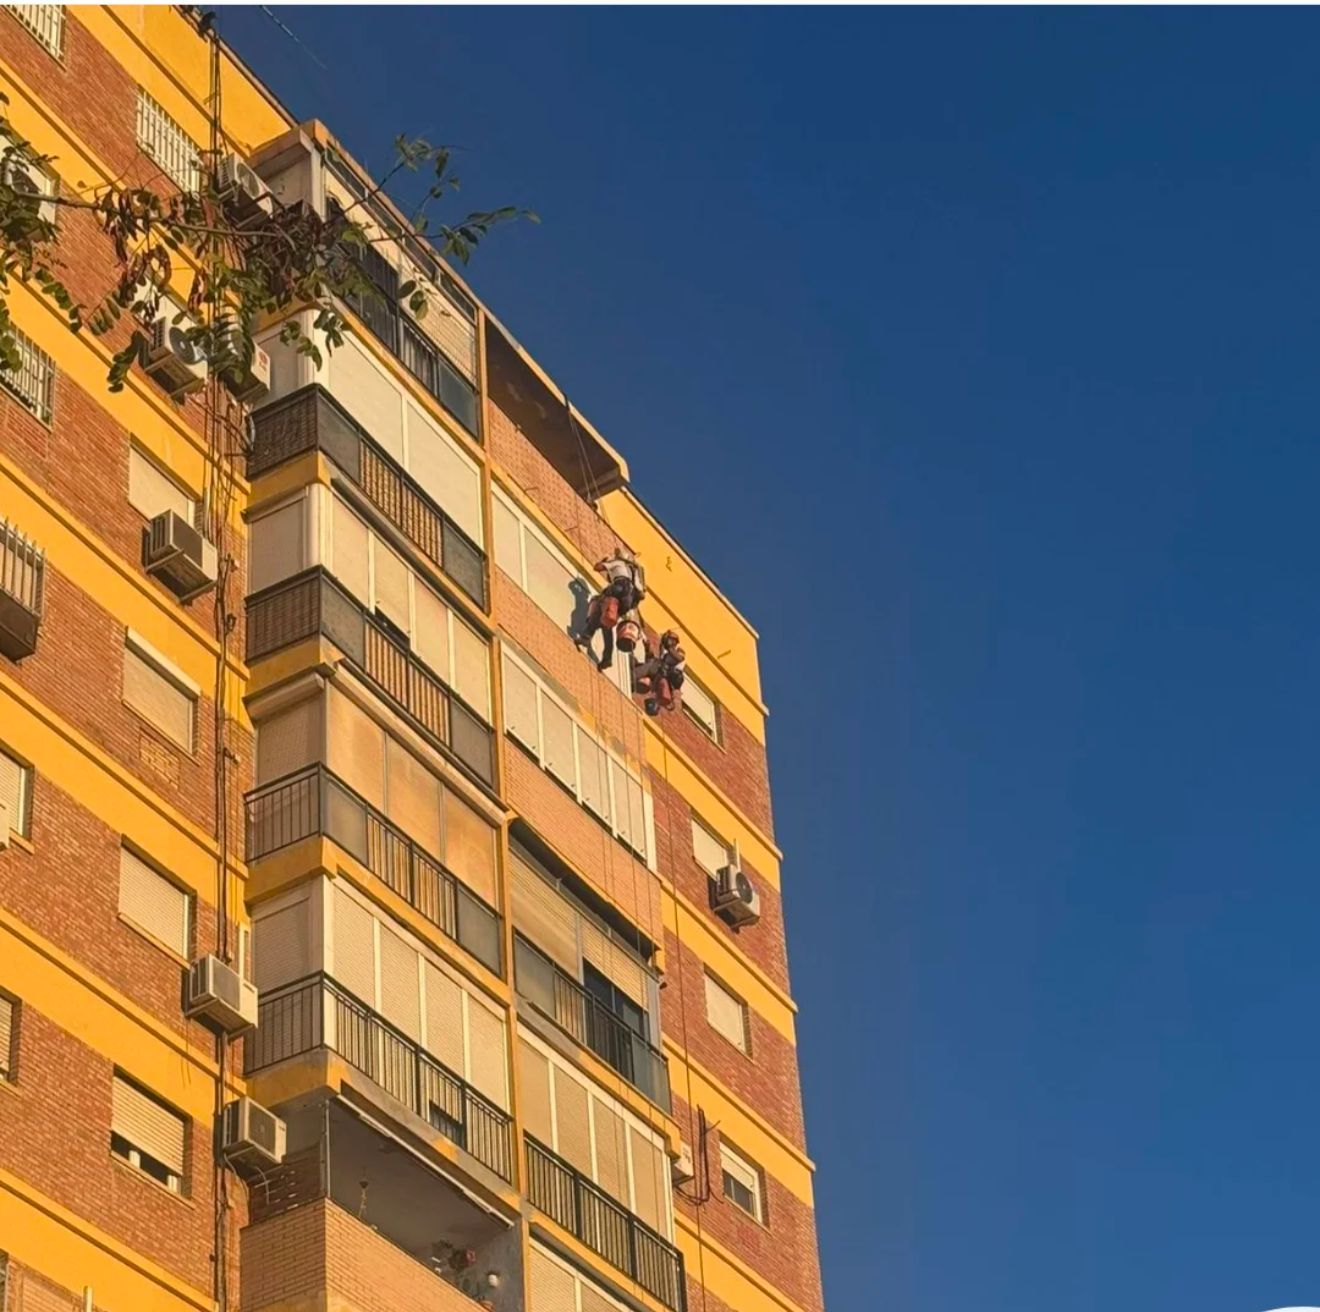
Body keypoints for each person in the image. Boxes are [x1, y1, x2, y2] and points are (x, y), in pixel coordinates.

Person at [575, 548, 641, 670]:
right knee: (607, 622)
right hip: (628, 600)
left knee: (599, 605)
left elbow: (597, 567)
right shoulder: (633, 572)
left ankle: (586, 637)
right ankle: (607, 658)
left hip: (619, 589)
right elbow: (640, 592)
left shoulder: (617, 563)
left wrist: (604, 561)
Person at [633, 629, 686, 715]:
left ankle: (632, 676)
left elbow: (679, 658)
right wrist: (647, 646)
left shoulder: (677, 653)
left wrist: (669, 647)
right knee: (649, 664)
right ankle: (632, 679)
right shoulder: (664, 654)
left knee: (652, 664)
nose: (669, 642)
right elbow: (651, 658)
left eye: (670, 640)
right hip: (657, 676)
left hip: (664, 676)